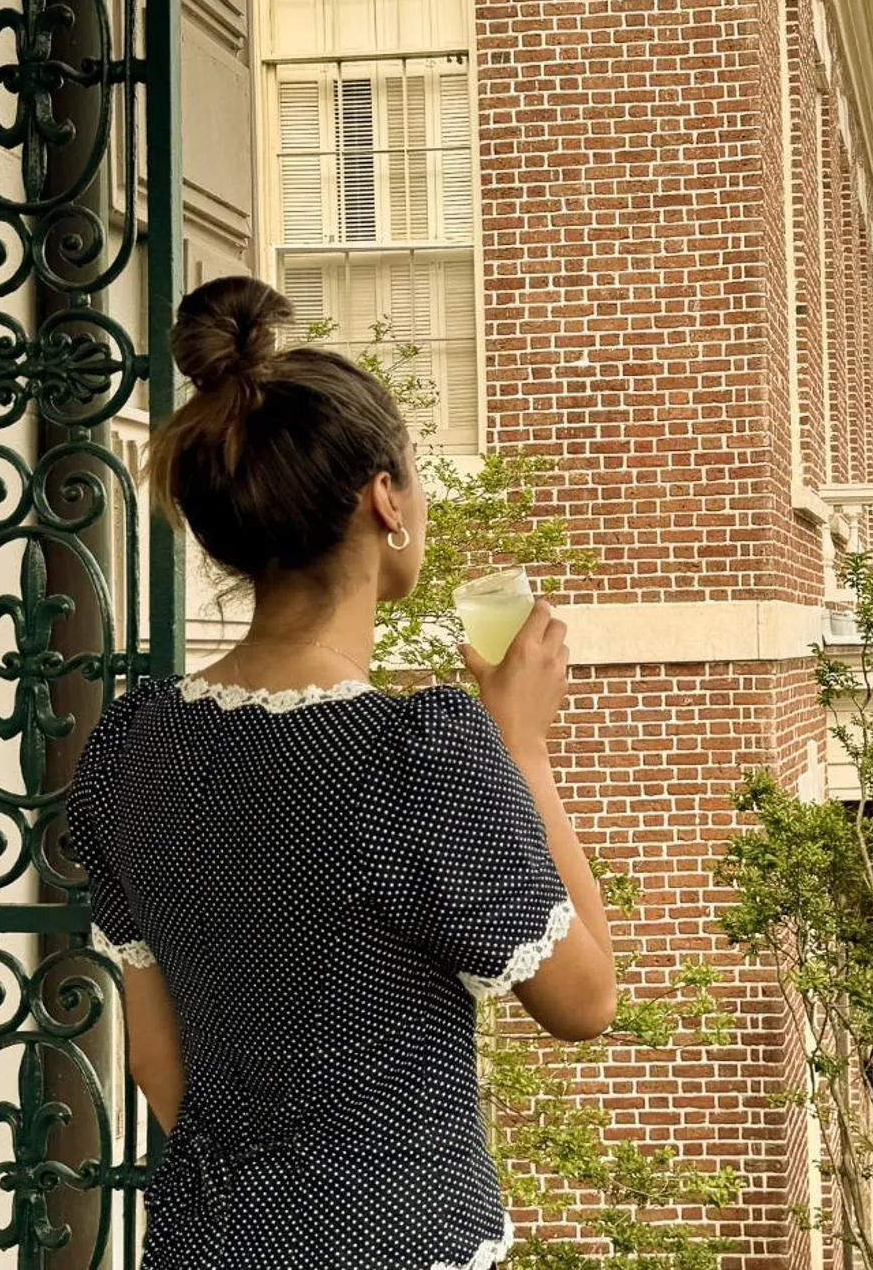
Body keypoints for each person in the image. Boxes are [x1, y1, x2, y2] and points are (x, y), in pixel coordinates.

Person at [65, 276, 617, 1269]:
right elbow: (585, 999)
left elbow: (158, 1066)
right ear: (384, 497)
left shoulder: (128, 747)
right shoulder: (415, 751)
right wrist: (522, 749)